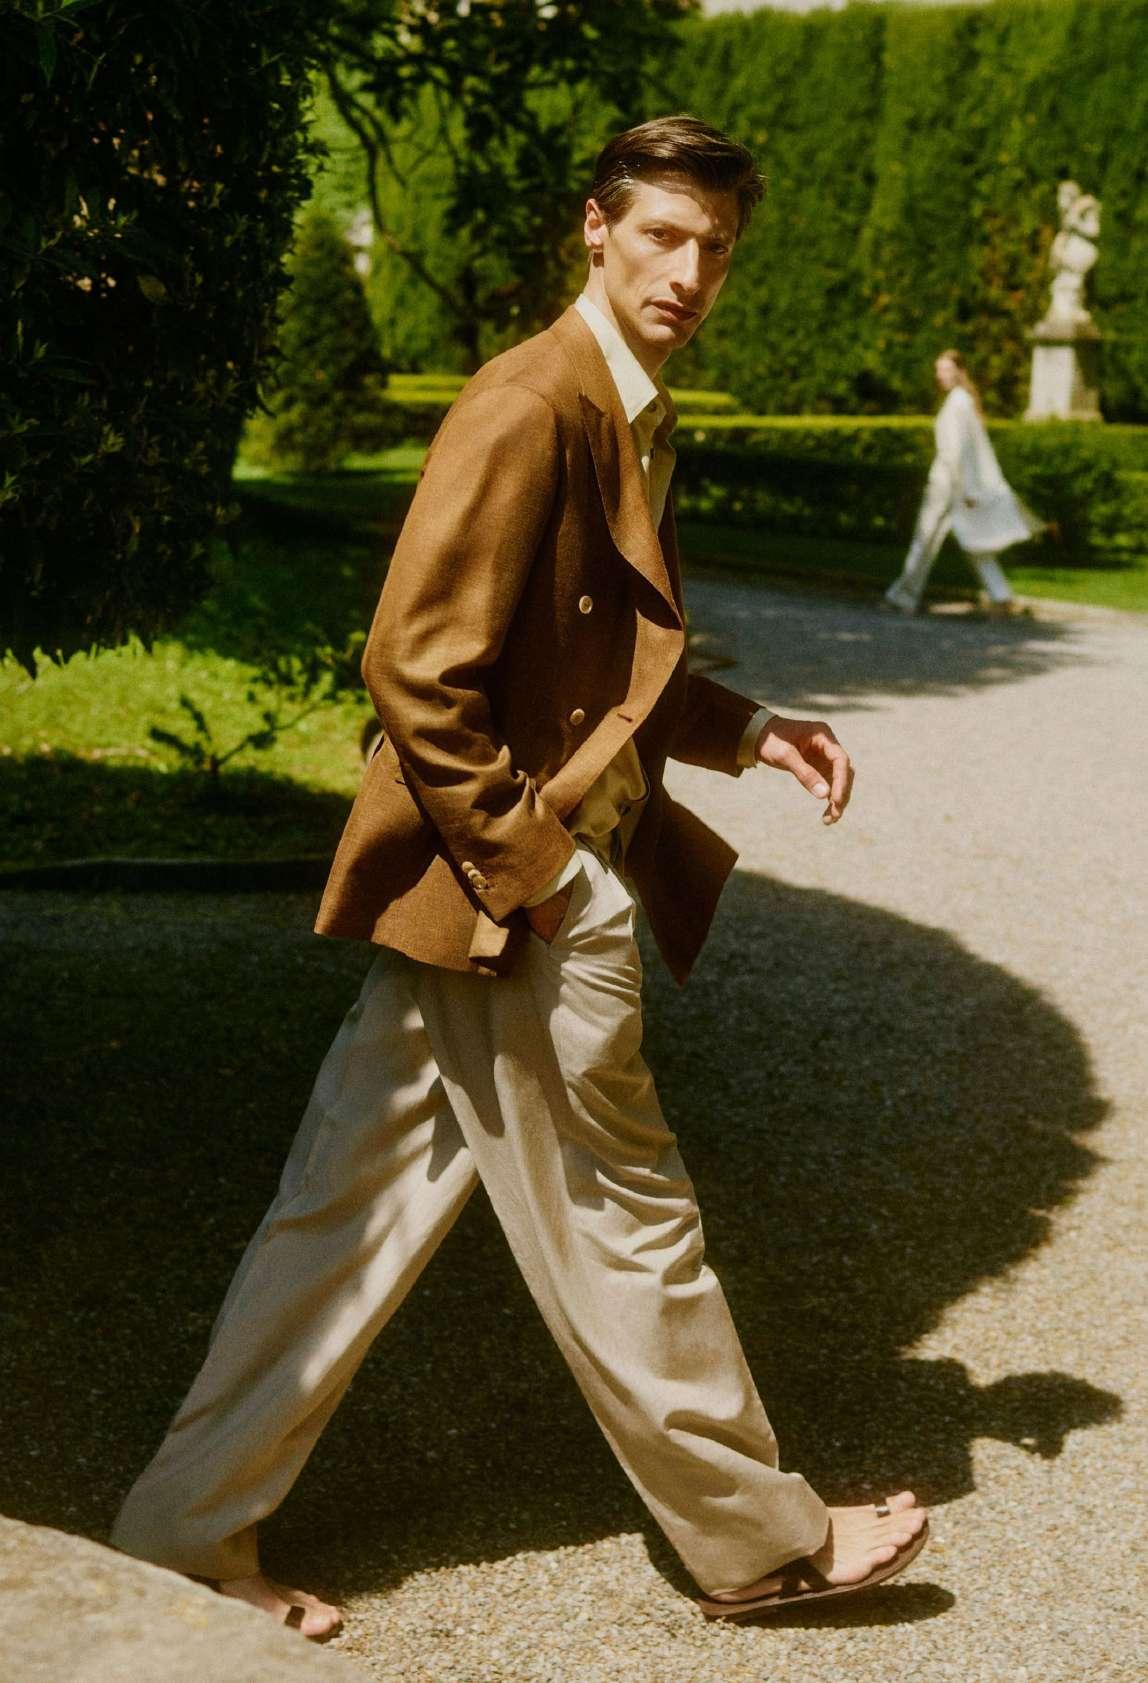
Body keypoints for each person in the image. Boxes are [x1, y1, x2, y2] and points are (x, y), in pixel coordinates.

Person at [112, 116, 928, 1636]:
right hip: (516, 895)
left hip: (489, 895)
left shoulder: (621, 404)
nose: (689, 272)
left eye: (715, 247)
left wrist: (749, 729)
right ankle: (760, 1541)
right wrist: (546, 876)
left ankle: (181, 1533)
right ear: (595, 229)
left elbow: (589, 668)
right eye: (663, 235)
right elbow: (415, 667)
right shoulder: (533, 401)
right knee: (627, 1209)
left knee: (337, 1223)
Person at [885, 348, 1040, 615]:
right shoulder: (962, 401)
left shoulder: (958, 403)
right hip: (956, 483)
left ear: (959, 371)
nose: (940, 375)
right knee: (972, 540)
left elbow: (957, 452)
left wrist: (966, 489)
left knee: (925, 539)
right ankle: (1001, 596)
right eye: (938, 370)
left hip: (947, 483)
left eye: (946, 369)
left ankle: (904, 596)